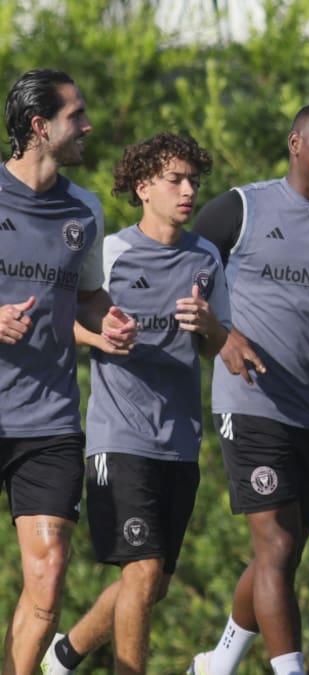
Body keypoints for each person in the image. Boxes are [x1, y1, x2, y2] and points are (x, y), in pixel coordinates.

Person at [187, 101, 309, 675]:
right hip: (249, 402)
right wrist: (222, 337)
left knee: (283, 553)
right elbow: (183, 277)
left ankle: (218, 662)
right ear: (297, 143)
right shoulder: (239, 209)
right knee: (274, 547)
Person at [41, 133, 229, 675]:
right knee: (142, 575)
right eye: (176, 180)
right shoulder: (112, 251)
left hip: (180, 441)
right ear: (144, 187)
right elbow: (59, 316)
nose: (189, 190)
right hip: (118, 438)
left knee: (151, 585)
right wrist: (98, 338)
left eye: (194, 180)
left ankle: (66, 652)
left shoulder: (206, 257)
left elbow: (223, 343)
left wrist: (210, 327)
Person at [0, 68, 137, 674]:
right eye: (75, 115)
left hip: (49, 417)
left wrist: (110, 322)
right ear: (39, 127)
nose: (87, 125)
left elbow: (87, 299)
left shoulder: (84, 209)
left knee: (50, 570)